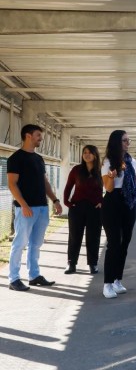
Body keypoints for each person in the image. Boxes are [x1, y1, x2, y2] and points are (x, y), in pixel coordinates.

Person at [7, 124, 63, 291]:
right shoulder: (15, 158)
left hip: (42, 208)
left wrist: (55, 200)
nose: (41, 138)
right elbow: (12, 184)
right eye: (38, 135)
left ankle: (34, 275)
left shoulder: (39, 159)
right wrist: (23, 205)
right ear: (28, 136)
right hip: (26, 208)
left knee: (36, 244)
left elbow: (44, 182)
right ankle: (14, 278)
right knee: (20, 243)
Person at [101, 130, 136, 299]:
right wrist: (112, 175)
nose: (128, 143)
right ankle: (107, 284)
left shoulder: (132, 161)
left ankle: (117, 280)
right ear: (116, 142)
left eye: (129, 140)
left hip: (130, 203)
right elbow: (109, 188)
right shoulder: (108, 162)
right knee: (114, 243)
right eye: (125, 140)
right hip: (113, 202)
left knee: (125, 242)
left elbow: (135, 184)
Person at [63, 145, 103, 275]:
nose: (86, 155)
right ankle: (71, 264)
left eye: (90, 153)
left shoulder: (101, 170)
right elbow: (68, 186)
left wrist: (102, 202)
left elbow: (109, 187)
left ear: (95, 155)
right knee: (75, 237)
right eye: (84, 152)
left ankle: (93, 264)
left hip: (94, 209)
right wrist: (66, 202)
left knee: (93, 237)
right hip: (77, 208)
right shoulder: (76, 170)